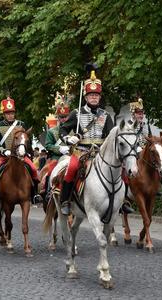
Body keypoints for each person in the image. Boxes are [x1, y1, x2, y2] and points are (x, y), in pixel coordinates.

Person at [58, 66, 114, 216]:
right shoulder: (76, 113)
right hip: (81, 151)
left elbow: (112, 135)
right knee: (71, 168)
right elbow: (62, 130)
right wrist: (69, 139)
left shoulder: (106, 115)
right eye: (91, 95)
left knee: (119, 169)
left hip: (101, 153)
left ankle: (121, 202)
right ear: (86, 97)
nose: (94, 97)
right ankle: (65, 201)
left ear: (100, 97)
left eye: (96, 95)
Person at [0, 96, 40, 209]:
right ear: (4, 114)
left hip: (20, 156)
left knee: (33, 169)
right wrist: (3, 150)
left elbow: (26, 140)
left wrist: (28, 152)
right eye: (7, 113)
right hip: (3, 156)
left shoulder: (21, 124)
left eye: (12, 113)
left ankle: (35, 194)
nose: (10, 115)